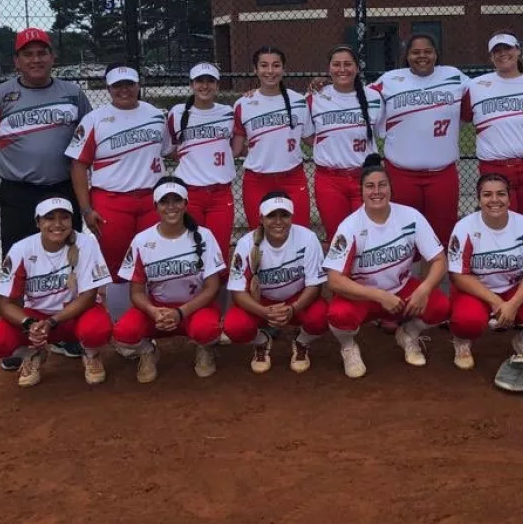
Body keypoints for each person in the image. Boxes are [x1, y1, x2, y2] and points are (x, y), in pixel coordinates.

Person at [0, 27, 91, 370]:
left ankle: (64, 331)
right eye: (28, 54)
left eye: (42, 53)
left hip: (61, 188)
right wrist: (12, 161)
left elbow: (86, 139)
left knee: (68, 258)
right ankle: (21, 338)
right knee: (18, 260)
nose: (36, 59)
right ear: (17, 61)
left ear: (53, 58)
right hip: (19, 191)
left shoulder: (72, 93)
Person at [323, 154, 450, 378]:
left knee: (439, 306)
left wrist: (424, 289)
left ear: (391, 188)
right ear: (361, 191)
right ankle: (348, 347)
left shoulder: (410, 217)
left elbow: (440, 260)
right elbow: (334, 279)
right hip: (364, 294)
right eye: (370, 186)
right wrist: (378, 296)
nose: (377, 191)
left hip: (401, 290)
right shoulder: (350, 226)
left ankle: (409, 334)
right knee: (339, 315)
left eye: (382, 185)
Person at [0, 198, 113, 388]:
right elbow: (5, 303)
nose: (57, 224)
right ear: (38, 222)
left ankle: (91, 354)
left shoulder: (86, 244)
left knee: (97, 329)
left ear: (72, 221)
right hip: (36, 317)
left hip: (74, 314)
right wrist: (29, 324)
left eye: (64, 217)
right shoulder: (21, 249)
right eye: (49, 218)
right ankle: (32, 354)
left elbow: (89, 296)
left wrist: (52, 322)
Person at [66, 64, 167, 304]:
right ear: (109, 88)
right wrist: (86, 209)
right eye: (117, 86)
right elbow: (78, 165)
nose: (124, 90)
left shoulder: (154, 114)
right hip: (111, 200)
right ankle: (120, 324)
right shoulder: (94, 119)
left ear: (138, 85)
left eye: (129, 84)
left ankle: (154, 318)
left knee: (152, 258)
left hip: (151, 199)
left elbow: (169, 150)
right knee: (117, 264)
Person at [111, 178, 226, 383]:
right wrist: (153, 311)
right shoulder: (142, 241)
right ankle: (147, 351)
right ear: (155, 206)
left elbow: (212, 287)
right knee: (123, 332)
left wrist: (181, 312)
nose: (171, 207)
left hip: (194, 308)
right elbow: (136, 292)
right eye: (164, 201)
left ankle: (204, 348)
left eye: (177, 200)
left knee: (207, 329)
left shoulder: (204, 236)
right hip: (158, 311)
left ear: (186, 204)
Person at [445, 173, 523, 370]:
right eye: (487, 195)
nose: (494, 200)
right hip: (477, 290)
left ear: (509, 198)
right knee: (466, 321)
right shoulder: (465, 227)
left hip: (514, 287)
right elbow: (459, 276)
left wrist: (513, 304)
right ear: (479, 199)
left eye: (501, 194)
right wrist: (496, 302)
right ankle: (462, 340)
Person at [370, 32, 466, 246]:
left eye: (427, 51)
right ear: (407, 56)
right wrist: (324, 85)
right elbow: (355, 96)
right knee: (404, 234)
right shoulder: (390, 79)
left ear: (436, 54)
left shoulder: (454, 76)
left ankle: (437, 279)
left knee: (442, 235)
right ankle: (408, 279)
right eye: (415, 52)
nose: (422, 56)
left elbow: (484, 91)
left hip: (442, 174)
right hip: (401, 173)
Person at [224, 191, 329, 374]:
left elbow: (315, 285)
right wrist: (264, 312)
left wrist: (294, 309)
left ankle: (301, 341)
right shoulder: (246, 244)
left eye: (284, 215)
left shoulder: (307, 238)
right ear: (261, 218)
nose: (278, 221)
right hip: (262, 302)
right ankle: (261, 341)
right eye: (271, 215)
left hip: (296, 300)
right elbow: (237, 291)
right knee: (235, 325)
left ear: (292, 217)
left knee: (321, 316)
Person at [462, 32, 523, 224]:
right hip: (495, 167)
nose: (503, 54)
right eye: (497, 51)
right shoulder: (476, 86)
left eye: (507, 48)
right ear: (491, 57)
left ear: (518, 51)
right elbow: (463, 117)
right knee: (500, 223)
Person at [164, 62, 235, 274]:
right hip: (189, 193)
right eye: (199, 81)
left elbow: (235, 147)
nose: (205, 86)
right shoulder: (177, 113)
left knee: (218, 253)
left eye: (210, 81)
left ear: (217, 85)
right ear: (191, 85)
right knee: (190, 251)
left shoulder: (229, 113)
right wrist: (191, 161)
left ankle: (216, 305)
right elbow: (168, 148)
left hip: (221, 193)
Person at [232, 46, 313, 228]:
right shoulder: (243, 103)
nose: (270, 71)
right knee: (259, 235)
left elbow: (310, 138)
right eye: (264, 65)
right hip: (257, 180)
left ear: (283, 69)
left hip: (293, 176)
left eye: (276, 65)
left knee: (299, 233)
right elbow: (236, 150)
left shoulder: (298, 101)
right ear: (255, 69)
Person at [307, 45, 381, 240]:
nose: (342, 69)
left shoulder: (374, 97)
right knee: (338, 238)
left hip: (364, 177)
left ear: (357, 68)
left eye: (348, 64)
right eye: (336, 64)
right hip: (329, 180)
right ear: (329, 68)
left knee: (368, 236)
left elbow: (381, 131)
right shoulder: (315, 96)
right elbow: (306, 135)